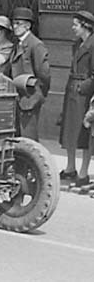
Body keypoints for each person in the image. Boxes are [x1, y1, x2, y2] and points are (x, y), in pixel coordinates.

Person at [59, 10, 94, 187]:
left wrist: (83, 87)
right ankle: (70, 167)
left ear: (85, 26)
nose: (73, 28)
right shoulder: (76, 44)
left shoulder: (93, 45)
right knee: (70, 132)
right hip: (72, 90)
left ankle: (83, 172)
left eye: (75, 25)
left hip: (85, 95)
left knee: (85, 134)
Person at [10, 7, 50, 142]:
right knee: (18, 137)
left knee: (29, 138)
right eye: (14, 23)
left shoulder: (36, 45)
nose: (14, 27)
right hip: (18, 96)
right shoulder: (18, 44)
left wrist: (38, 95)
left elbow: (44, 74)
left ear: (27, 26)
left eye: (18, 23)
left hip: (29, 97)